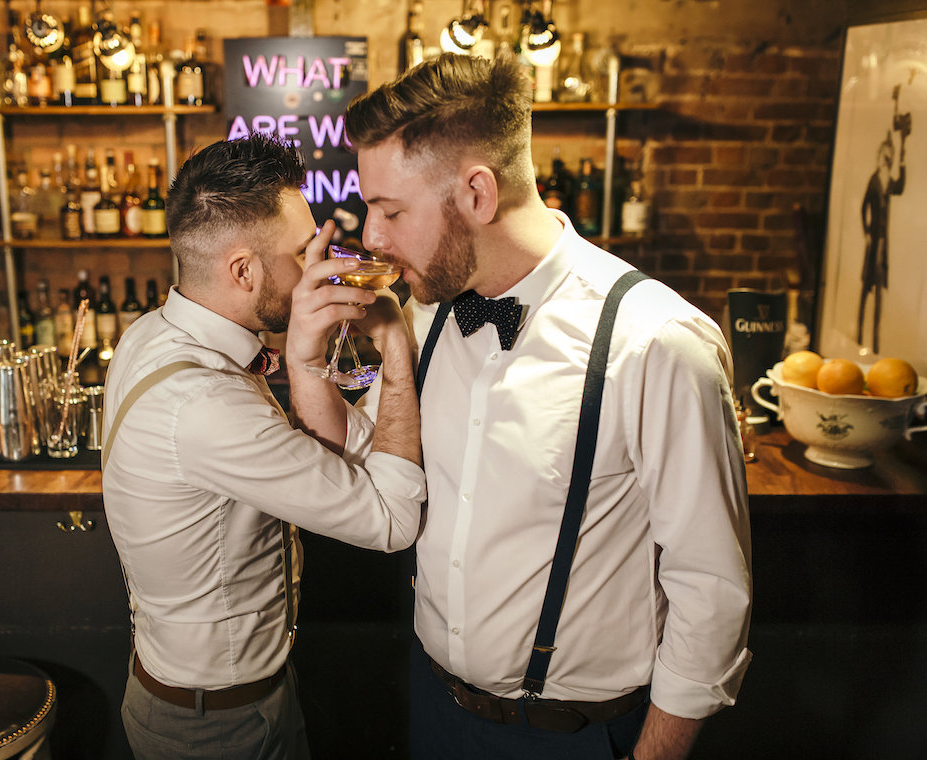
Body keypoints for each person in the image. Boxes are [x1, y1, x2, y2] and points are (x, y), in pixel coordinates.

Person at [293, 53, 753, 760]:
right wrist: (305, 362)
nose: (373, 236)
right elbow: (367, 462)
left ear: (478, 193)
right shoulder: (427, 313)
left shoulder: (655, 343)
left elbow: (712, 590)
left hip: (577, 737)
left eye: (391, 210)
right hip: (434, 709)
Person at [101, 132, 425, 760]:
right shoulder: (205, 405)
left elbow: (339, 455)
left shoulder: (153, 334)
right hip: (218, 728)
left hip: (208, 697)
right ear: (243, 271)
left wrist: (304, 359)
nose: (320, 265)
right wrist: (395, 351)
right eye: (303, 252)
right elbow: (392, 520)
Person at [857, 131, 906, 352]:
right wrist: (867, 232)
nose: (886, 160)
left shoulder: (888, 182)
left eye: (889, 157)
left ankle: (876, 345)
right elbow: (863, 206)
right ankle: (859, 334)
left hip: (883, 244)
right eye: (885, 156)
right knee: (866, 287)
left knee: (879, 288)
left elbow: (901, 186)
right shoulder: (875, 180)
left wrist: (902, 155)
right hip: (874, 241)